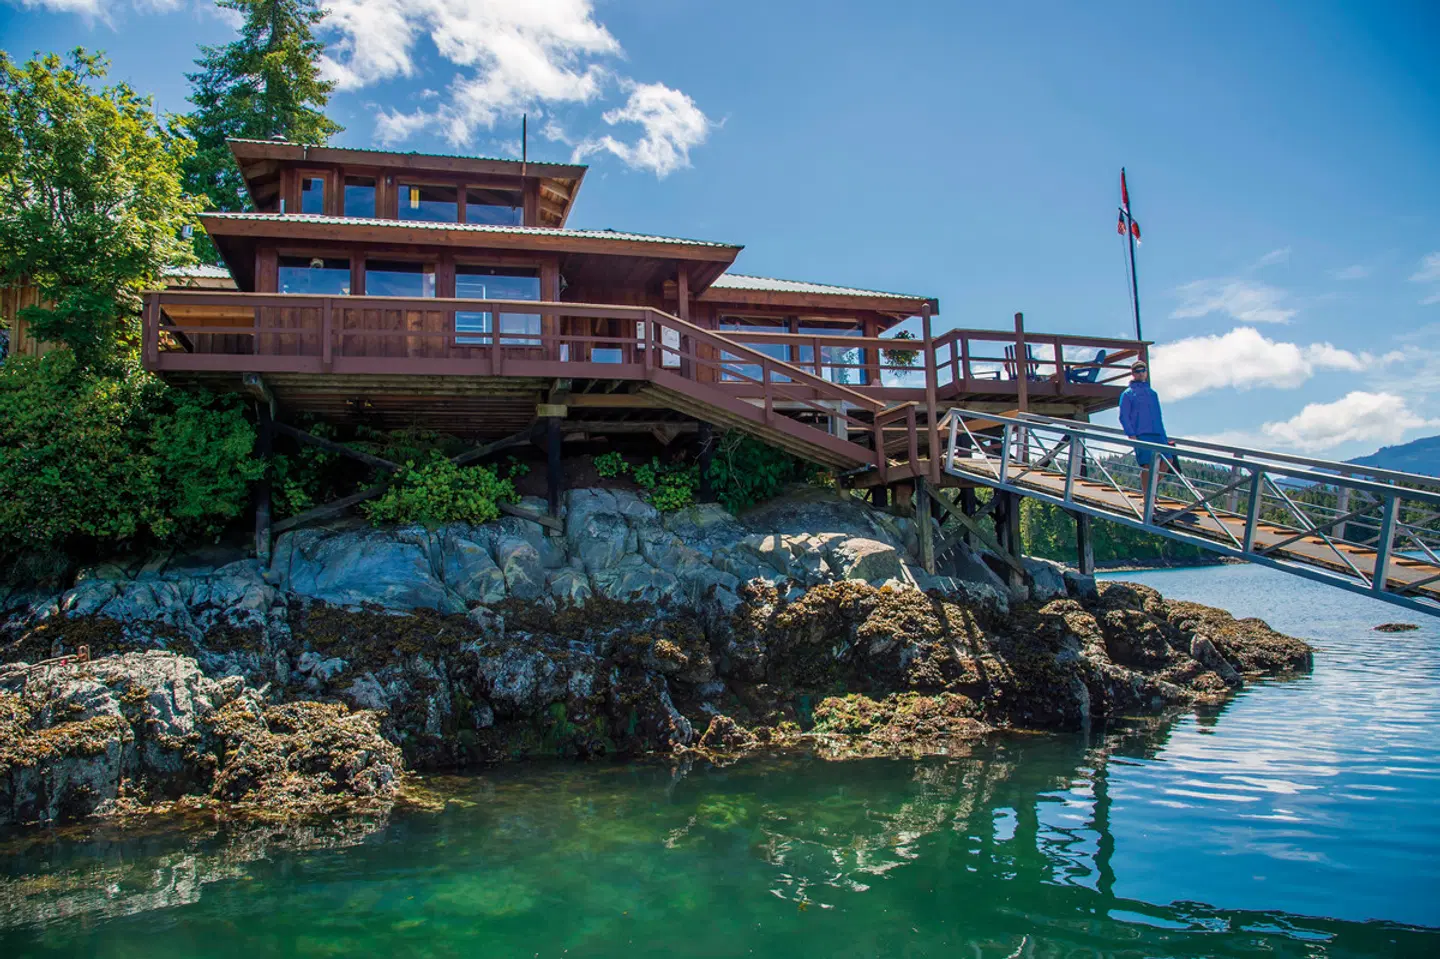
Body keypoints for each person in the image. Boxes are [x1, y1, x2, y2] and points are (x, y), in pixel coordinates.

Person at [1119, 360, 1174, 496]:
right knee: (1147, 465)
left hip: (1158, 433)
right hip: (1141, 433)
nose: (1141, 373)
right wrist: (1131, 434)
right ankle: (1147, 495)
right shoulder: (1127, 394)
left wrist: (1164, 436)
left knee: (1168, 460)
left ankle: (1151, 491)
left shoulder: (1152, 393)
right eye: (1137, 371)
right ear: (1132, 373)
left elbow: (1158, 415)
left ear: (1146, 372)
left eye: (1143, 370)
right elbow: (1123, 416)